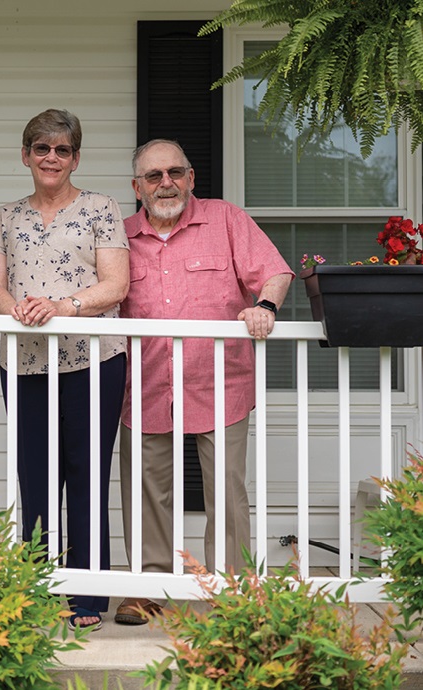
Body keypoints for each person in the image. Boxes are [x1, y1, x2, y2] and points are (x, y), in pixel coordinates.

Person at [115, 139, 294, 625]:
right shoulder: (118, 233)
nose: (166, 183)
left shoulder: (226, 219)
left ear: (191, 178)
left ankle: (231, 592)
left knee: (227, 493)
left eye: (175, 172)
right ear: (137, 188)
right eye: (153, 176)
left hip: (221, 382)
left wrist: (265, 306)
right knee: (146, 491)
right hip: (145, 384)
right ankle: (147, 588)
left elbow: (276, 272)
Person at [0, 109, 130, 631]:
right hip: (24, 365)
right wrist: (15, 310)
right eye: (41, 148)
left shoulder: (101, 209)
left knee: (87, 476)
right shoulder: (7, 215)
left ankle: (88, 595)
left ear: (75, 158)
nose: (51, 157)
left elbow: (116, 285)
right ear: (26, 155)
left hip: (94, 360)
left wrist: (63, 306)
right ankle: (37, 592)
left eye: (62, 149)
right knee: (36, 477)